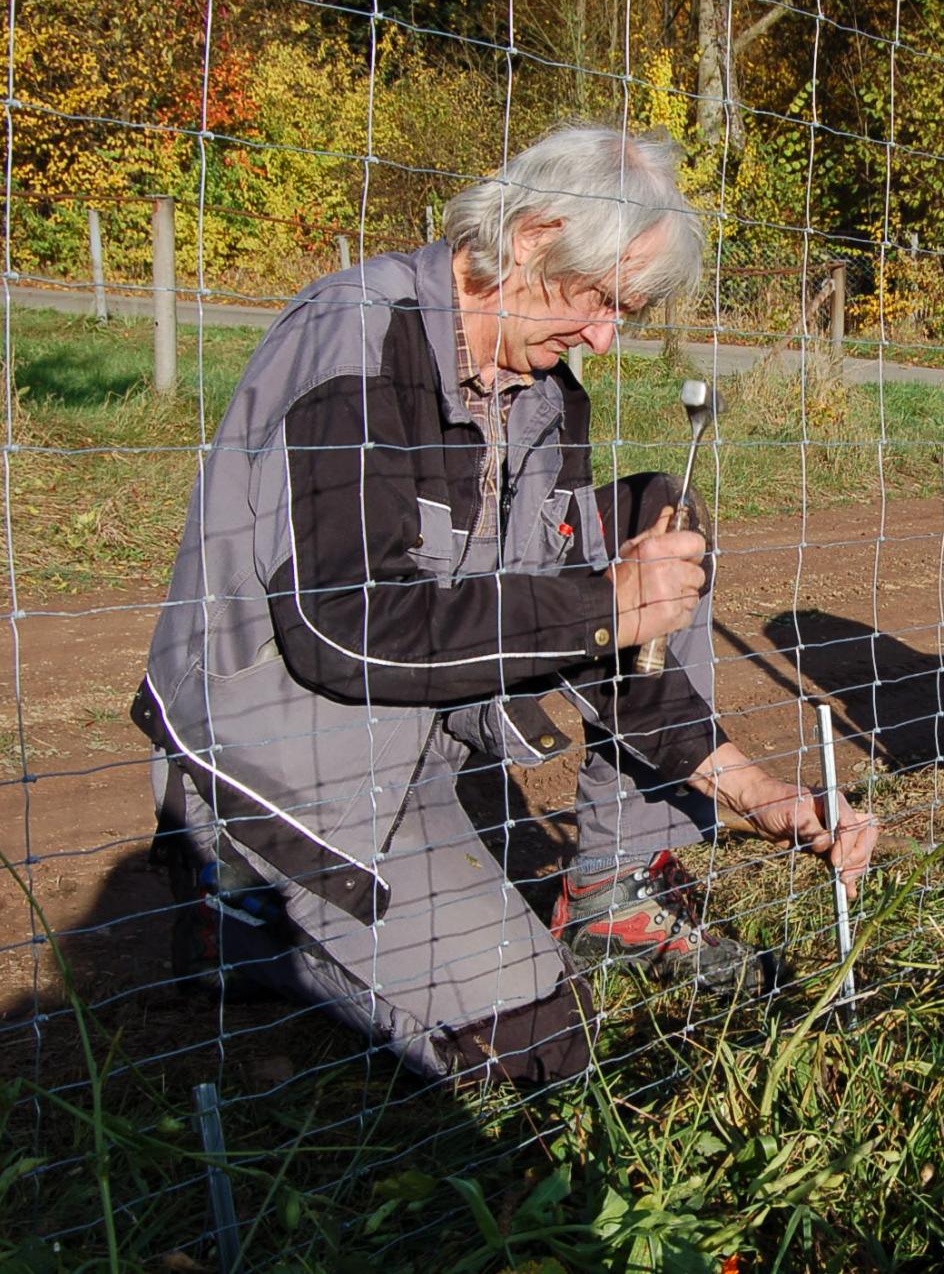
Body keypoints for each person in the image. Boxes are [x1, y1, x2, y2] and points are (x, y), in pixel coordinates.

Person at [130, 123, 876, 1086]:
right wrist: (606, 602)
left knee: (657, 519)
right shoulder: (355, 342)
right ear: (529, 237)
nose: (606, 339)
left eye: (628, 313)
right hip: (288, 756)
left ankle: (615, 888)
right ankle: (241, 906)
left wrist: (758, 792)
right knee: (533, 1053)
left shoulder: (544, 393)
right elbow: (341, 633)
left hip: (413, 740)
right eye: (602, 300)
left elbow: (599, 631)